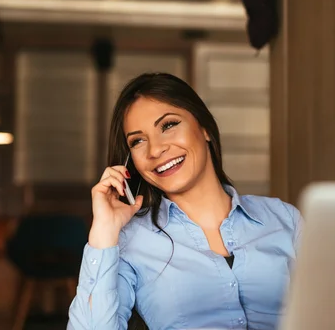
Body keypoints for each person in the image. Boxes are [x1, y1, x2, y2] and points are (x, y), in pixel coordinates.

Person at [68, 73, 302, 330]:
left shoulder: (284, 219)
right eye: (138, 141)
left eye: (168, 125)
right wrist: (104, 231)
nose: (155, 150)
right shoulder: (130, 240)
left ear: (205, 128)